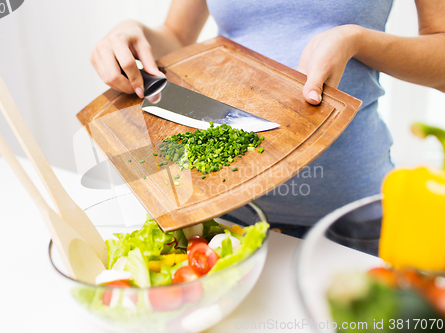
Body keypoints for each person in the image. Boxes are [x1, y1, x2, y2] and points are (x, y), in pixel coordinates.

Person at [90, 0, 445, 238]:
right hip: (224, 211)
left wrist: (357, 40)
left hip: (350, 217)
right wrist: (133, 35)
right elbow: (177, 37)